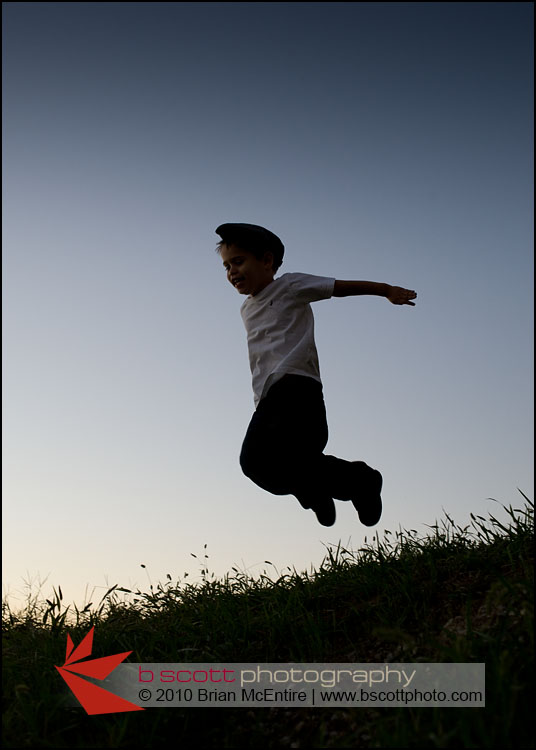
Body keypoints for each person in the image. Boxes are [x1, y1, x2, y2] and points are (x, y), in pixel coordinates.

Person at [215, 222, 417, 527]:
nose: (232, 272)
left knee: (256, 459)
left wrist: (385, 290)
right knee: (268, 465)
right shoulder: (246, 309)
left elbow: (340, 289)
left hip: (295, 387)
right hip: (270, 398)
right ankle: (353, 482)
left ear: (267, 261)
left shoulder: (290, 286)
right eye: (227, 266)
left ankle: (319, 490)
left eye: (239, 262)